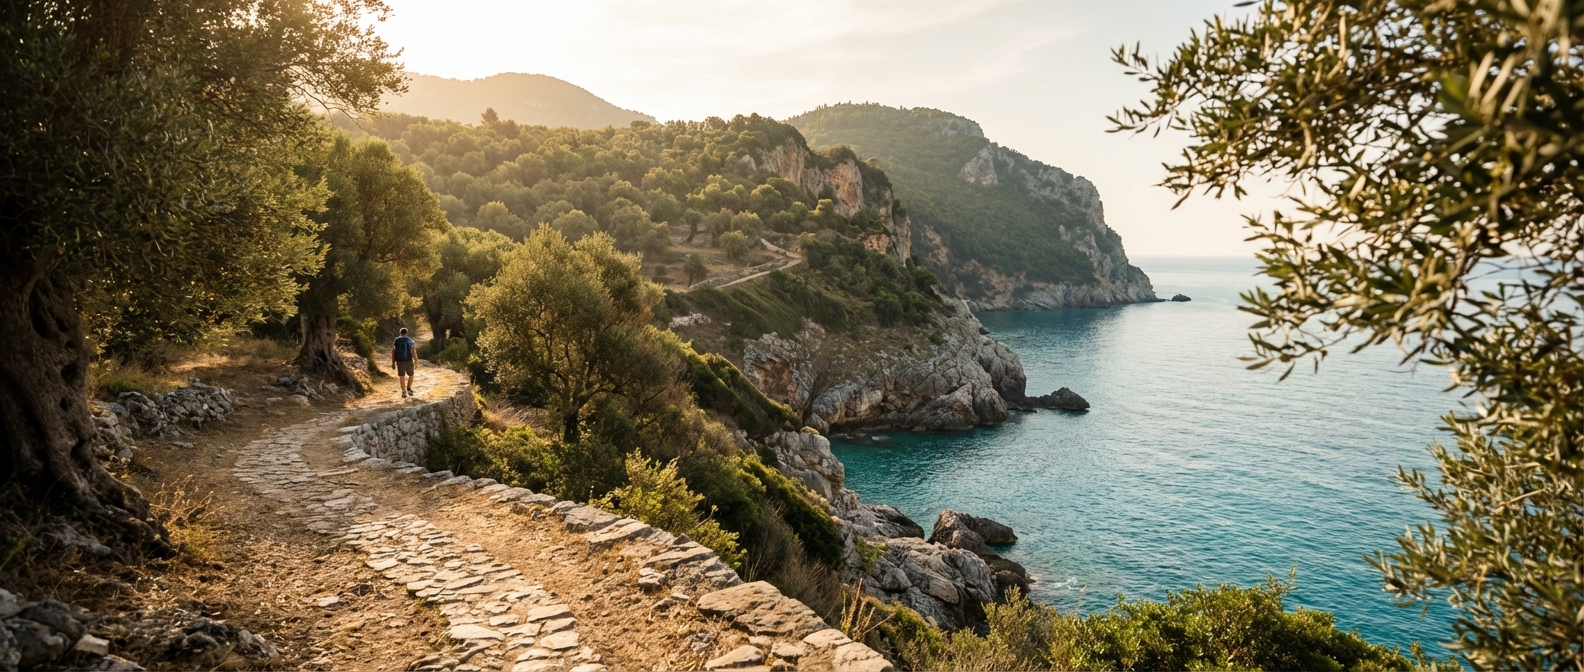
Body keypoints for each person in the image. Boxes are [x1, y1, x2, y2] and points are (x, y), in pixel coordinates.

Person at [391, 327, 417, 398]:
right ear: (406, 333)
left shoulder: (396, 340)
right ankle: (409, 388)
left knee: (401, 377)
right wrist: (416, 360)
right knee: (411, 375)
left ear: (400, 333)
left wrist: (393, 362)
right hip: (409, 361)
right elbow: (413, 351)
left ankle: (403, 392)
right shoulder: (410, 341)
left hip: (400, 362)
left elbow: (393, 351)